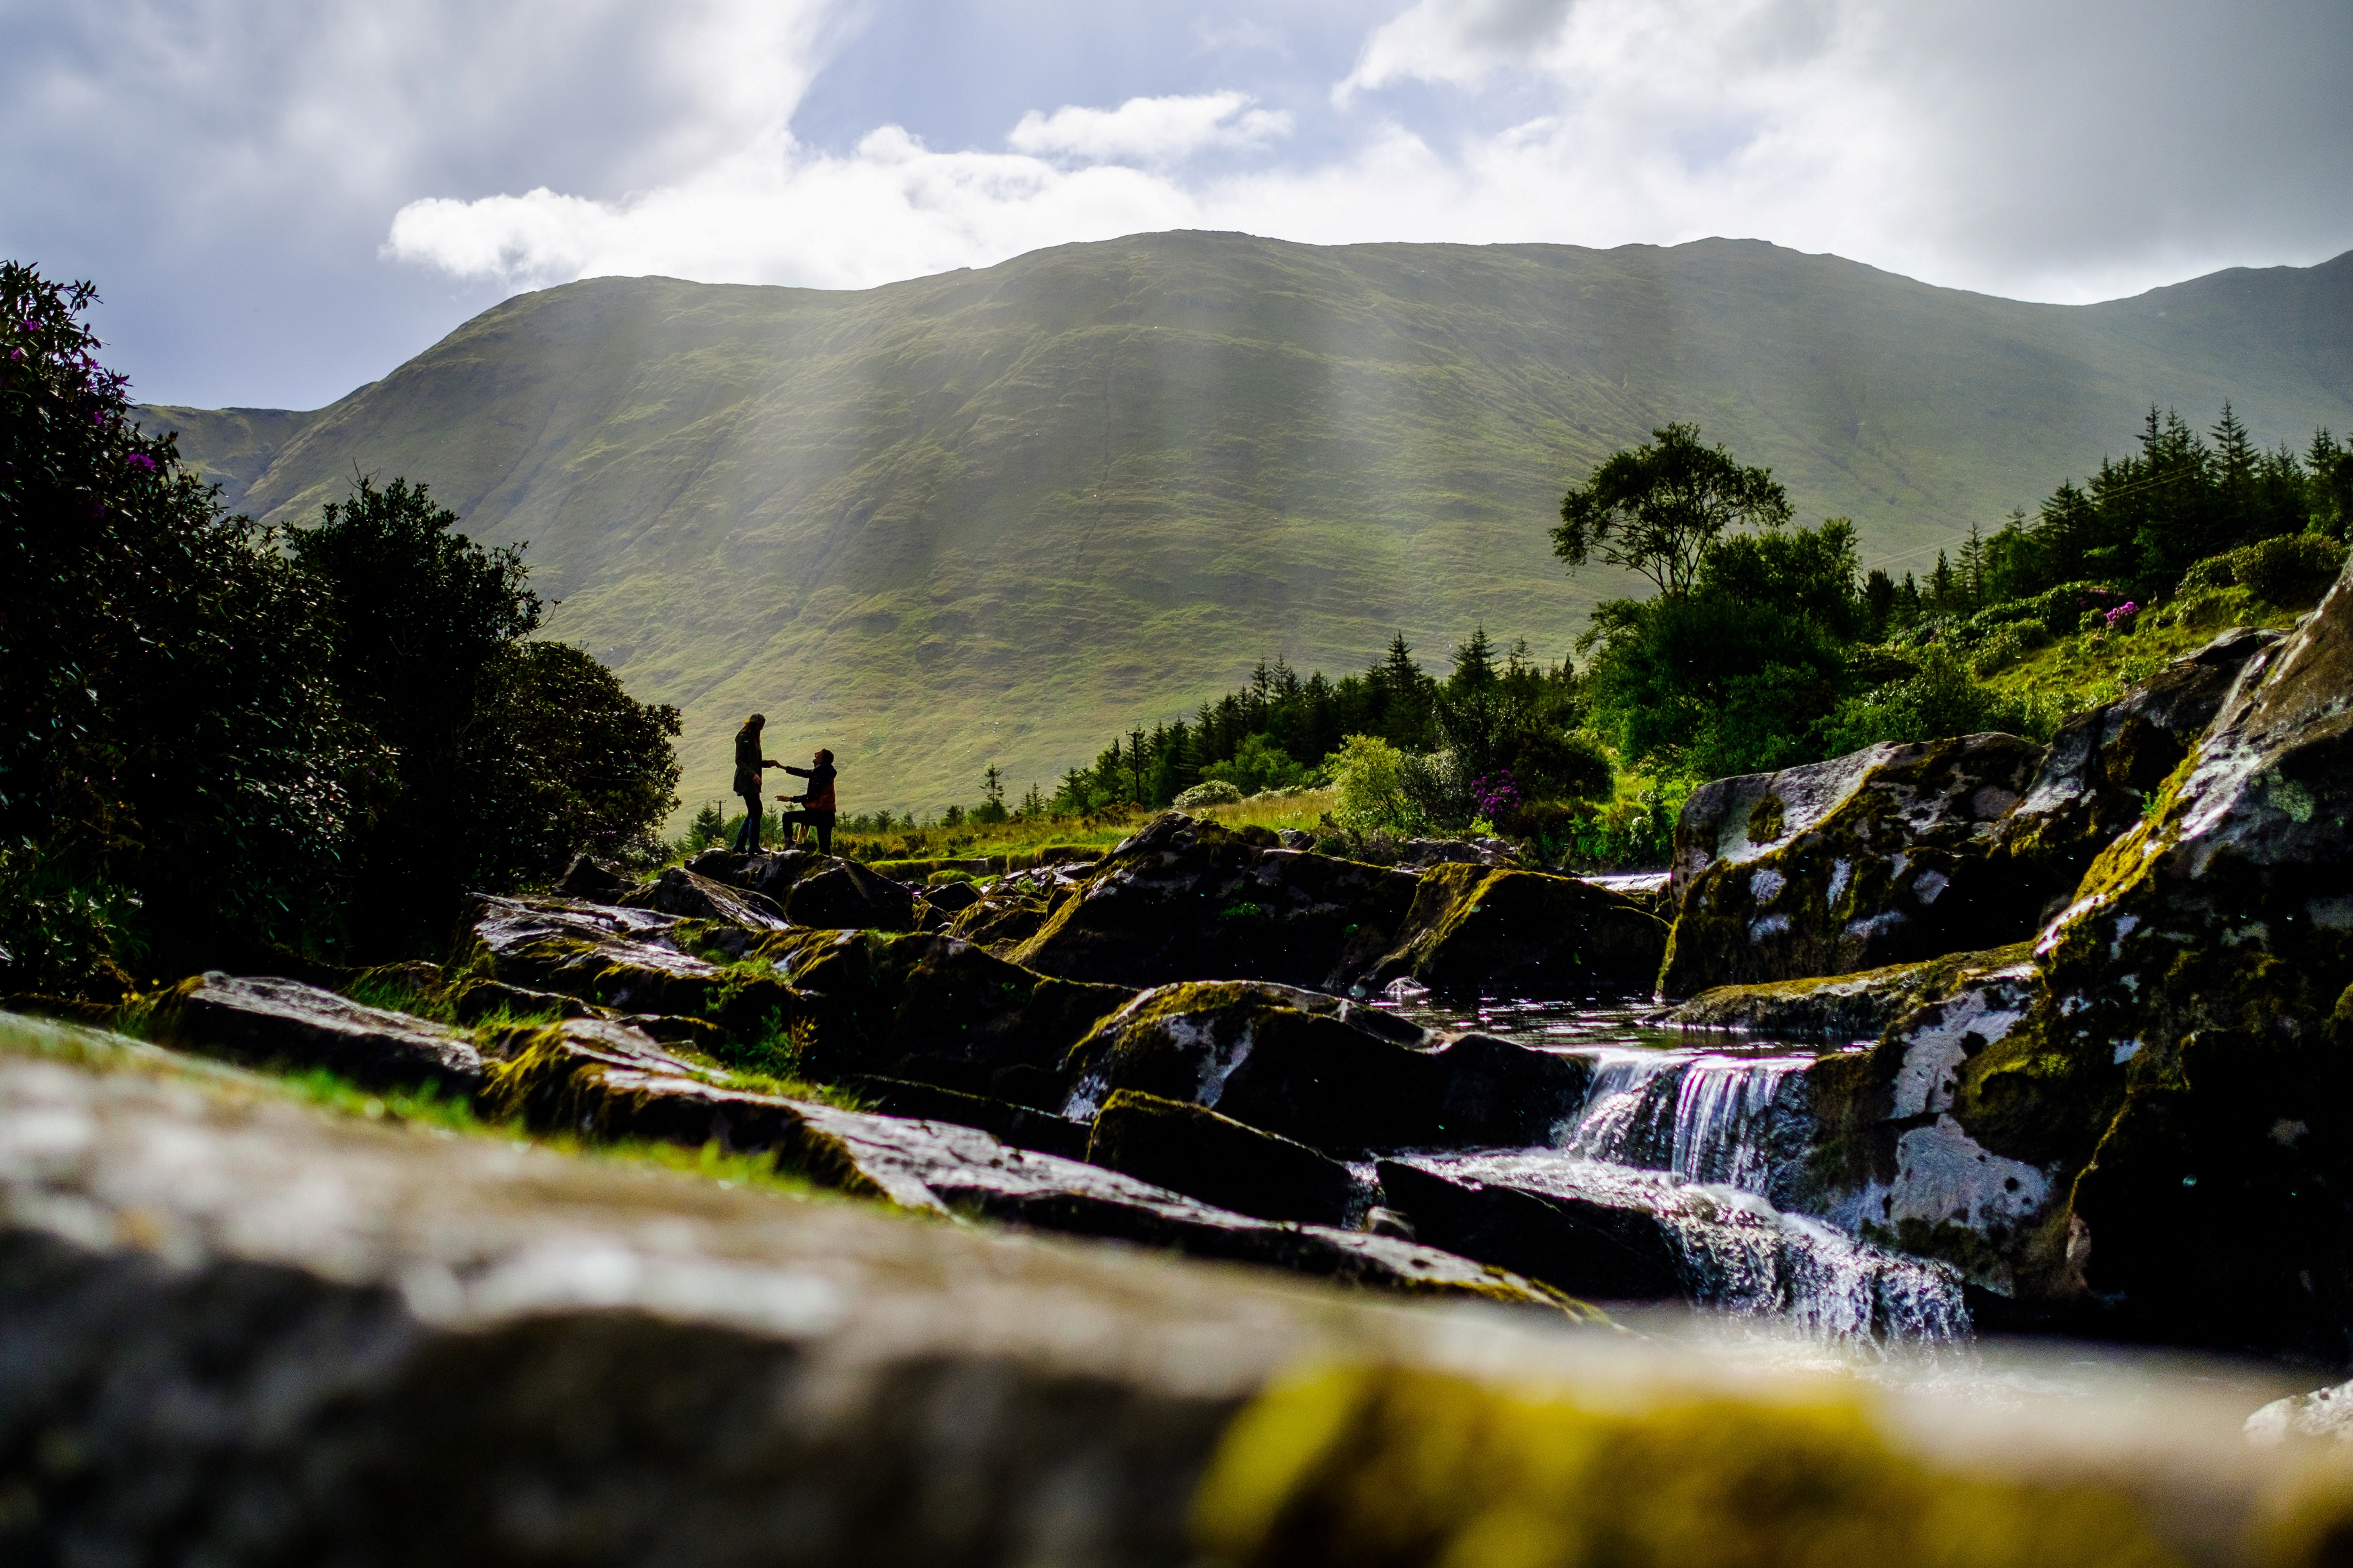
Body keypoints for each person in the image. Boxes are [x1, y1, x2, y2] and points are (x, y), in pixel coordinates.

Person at [730, 715, 782, 852]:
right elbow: (740, 760)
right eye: (759, 726)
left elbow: (754, 760)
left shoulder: (754, 737)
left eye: (762, 726)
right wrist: (753, 775)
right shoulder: (743, 737)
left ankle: (740, 845)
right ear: (752, 724)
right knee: (756, 811)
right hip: (745, 780)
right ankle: (753, 846)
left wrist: (767, 763)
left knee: (753, 812)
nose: (761, 729)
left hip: (752, 782)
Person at [780, 747, 837, 856]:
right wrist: (783, 767)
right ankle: (829, 869)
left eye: (818, 755)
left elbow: (812, 795)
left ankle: (790, 845)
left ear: (822, 759)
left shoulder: (821, 773)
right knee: (825, 850)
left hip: (818, 814)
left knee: (787, 817)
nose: (815, 756)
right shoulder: (824, 771)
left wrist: (791, 799)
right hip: (827, 816)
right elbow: (805, 773)